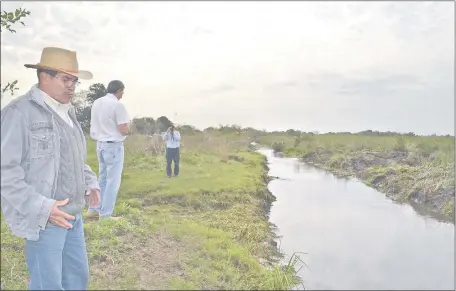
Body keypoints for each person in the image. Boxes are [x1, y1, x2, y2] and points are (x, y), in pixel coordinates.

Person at [0, 47, 101, 290]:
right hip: (45, 220)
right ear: (44, 76)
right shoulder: (19, 113)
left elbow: (75, 157)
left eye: (74, 81)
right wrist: (43, 208)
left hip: (73, 216)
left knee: (77, 279)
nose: (72, 87)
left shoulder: (69, 113)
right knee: (48, 285)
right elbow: (5, 171)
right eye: (66, 79)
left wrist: (90, 181)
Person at [88, 80, 130, 219]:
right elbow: (123, 129)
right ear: (119, 90)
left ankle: (94, 208)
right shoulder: (118, 106)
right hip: (113, 146)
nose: (122, 94)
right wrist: (130, 129)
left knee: (103, 179)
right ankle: (106, 215)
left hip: (100, 144)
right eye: (122, 91)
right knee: (113, 181)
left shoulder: (97, 103)